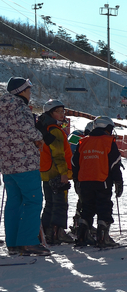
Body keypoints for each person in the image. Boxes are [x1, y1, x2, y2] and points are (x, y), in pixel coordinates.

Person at [0, 77, 49, 255]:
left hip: (7, 165)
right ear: (21, 91)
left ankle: (13, 243)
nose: (30, 93)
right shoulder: (19, 107)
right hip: (25, 162)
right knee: (33, 200)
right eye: (28, 90)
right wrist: (38, 137)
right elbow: (25, 128)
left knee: (13, 202)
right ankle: (28, 242)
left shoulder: (2, 108)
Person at [71, 116, 123, 247]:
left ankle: (82, 236)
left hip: (84, 181)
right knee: (104, 207)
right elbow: (114, 164)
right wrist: (118, 181)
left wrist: (77, 180)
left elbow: (74, 163)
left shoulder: (83, 142)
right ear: (108, 128)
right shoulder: (108, 141)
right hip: (102, 180)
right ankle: (103, 237)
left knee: (86, 208)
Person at [37, 99, 74, 244]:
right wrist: (64, 173)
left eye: (62, 111)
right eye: (58, 111)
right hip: (56, 172)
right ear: (50, 113)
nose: (61, 114)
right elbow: (58, 155)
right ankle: (58, 232)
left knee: (50, 203)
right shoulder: (55, 131)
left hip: (45, 172)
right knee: (60, 203)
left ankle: (46, 232)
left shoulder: (43, 129)